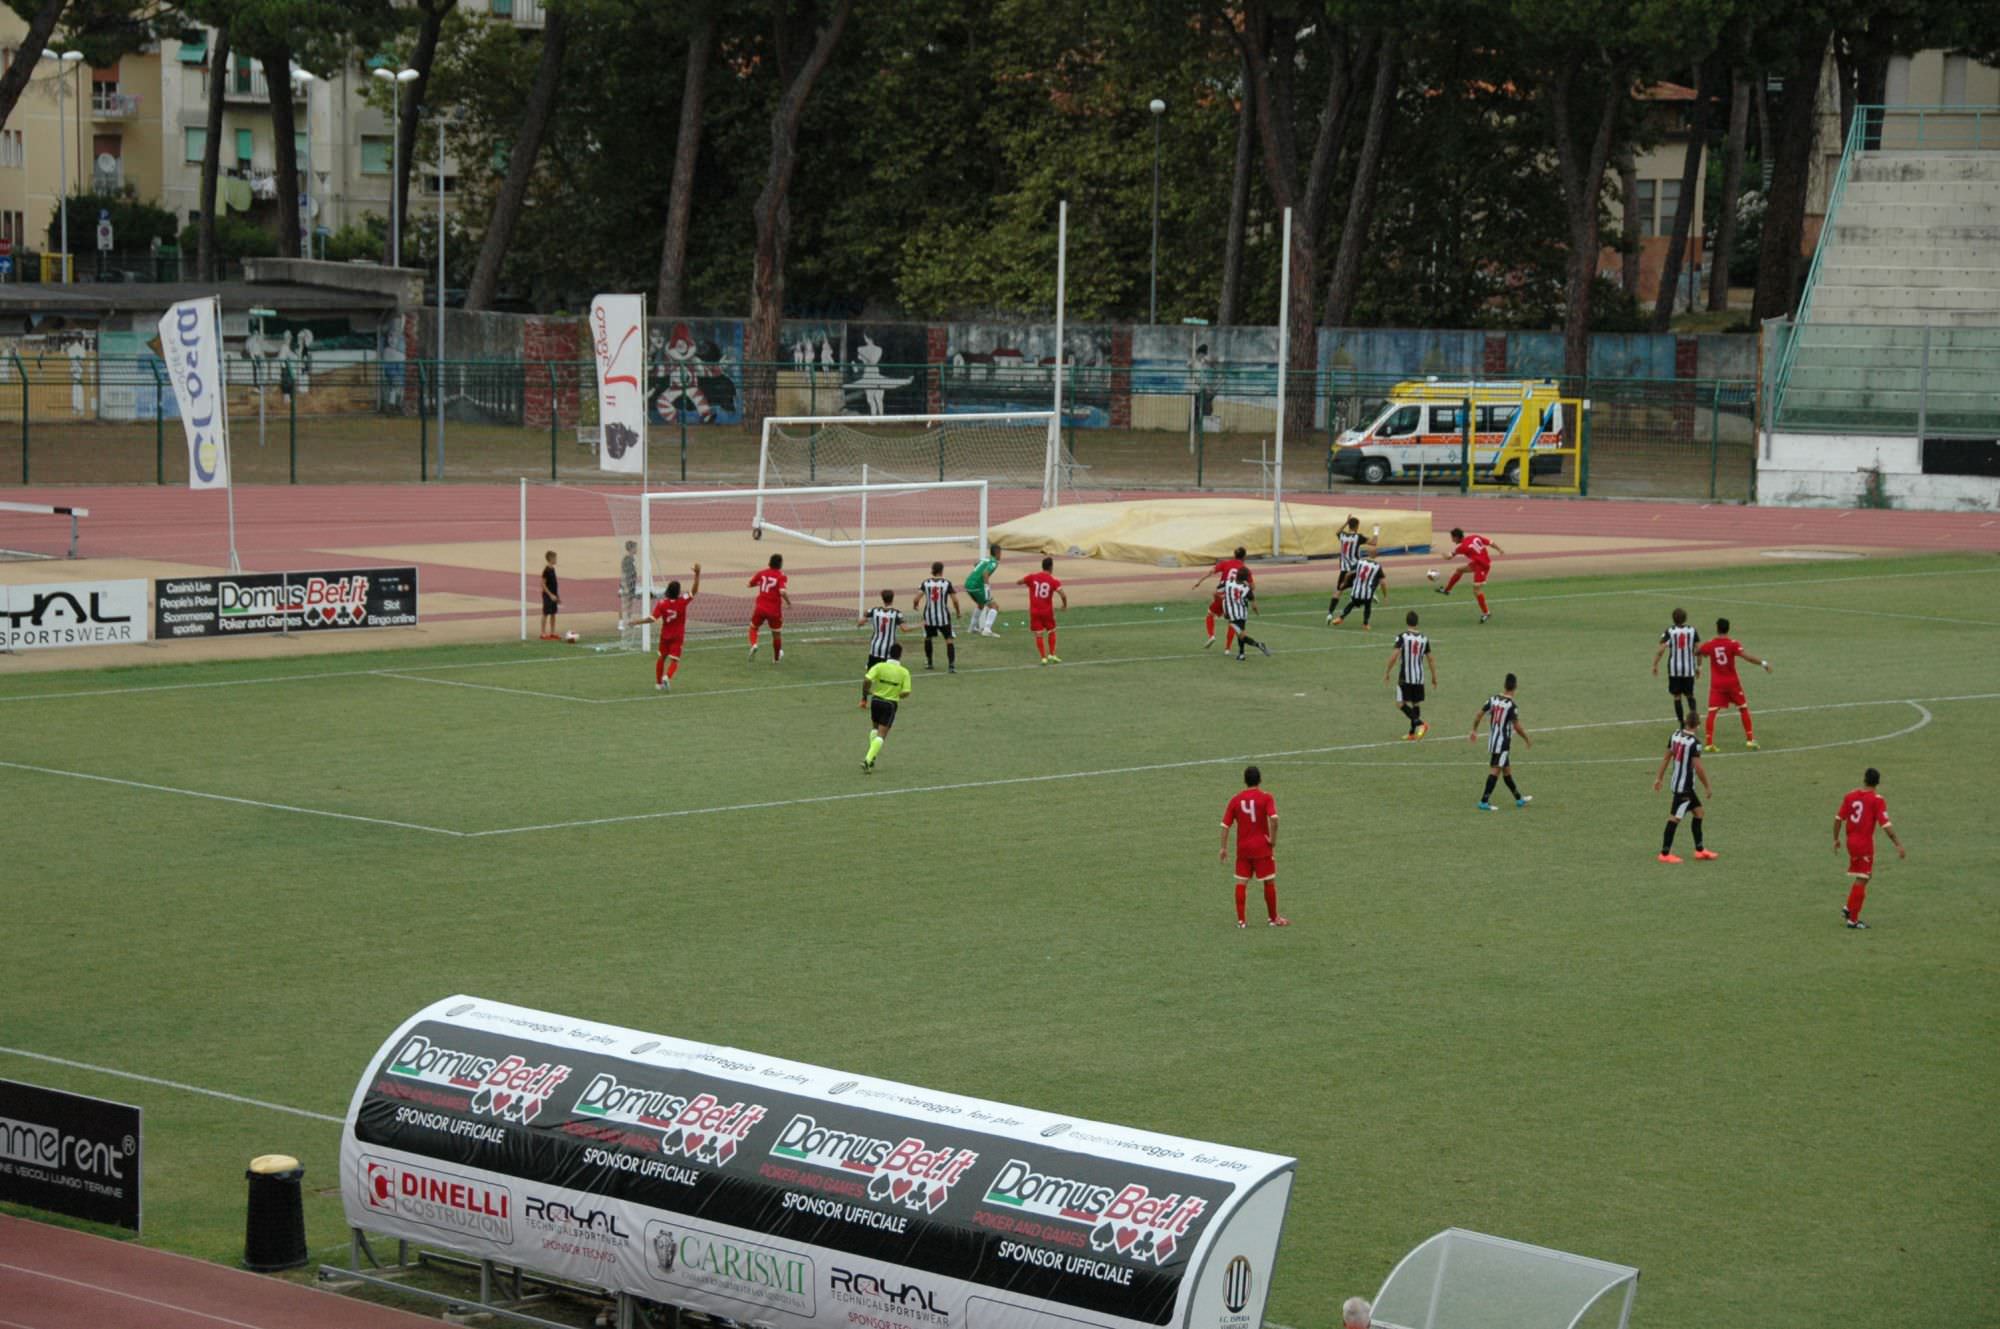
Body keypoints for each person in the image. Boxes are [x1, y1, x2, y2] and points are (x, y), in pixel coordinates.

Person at [1835, 767, 1905, 929]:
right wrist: (1898, 844)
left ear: (1864, 779)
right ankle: (1853, 919)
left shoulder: (1850, 796)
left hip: (1850, 842)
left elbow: (1838, 818)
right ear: (1878, 783)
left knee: (1865, 875)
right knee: (1863, 877)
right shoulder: (1877, 800)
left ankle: (1848, 908)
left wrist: (1836, 839)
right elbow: (1886, 825)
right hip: (1863, 844)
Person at [1219, 765, 1288, 928]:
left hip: (1243, 848)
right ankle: (1273, 919)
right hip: (1262, 848)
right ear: (1260, 780)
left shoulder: (1235, 800)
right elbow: (1275, 819)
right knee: (1269, 882)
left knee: (1241, 882)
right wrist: (1273, 840)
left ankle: (1241, 921)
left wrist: (1223, 848)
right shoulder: (1266, 798)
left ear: (1245, 781)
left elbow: (1225, 825)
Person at [1701, 617, 1772, 751]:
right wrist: (1763, 663)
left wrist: (1701, 656)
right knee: (1743, 708)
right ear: (1728, 629)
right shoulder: (1733, 644)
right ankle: (1750, 740)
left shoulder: (1710, 644)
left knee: (1712, 712)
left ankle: (1709, 743)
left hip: (1717, 684)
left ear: (1717, 629)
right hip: (1732, 683)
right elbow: (1748, 657)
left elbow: (1698, 651)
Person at [1652, 714, 1715, 862]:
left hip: (1678, 783)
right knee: (1675, 818)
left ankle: (1699, 850)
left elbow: (1666, 757)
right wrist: (1707, 786)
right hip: (1684, 787)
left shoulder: (1675, 735)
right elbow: (1698, 767)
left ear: (1686, 723)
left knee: (1699, 812)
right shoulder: (1695, 743)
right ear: (1698, 725)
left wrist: (1659, 778)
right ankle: (1665, 853)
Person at [1469, 673, 1532, 810]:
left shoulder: (1493, 700)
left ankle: (1519, 798)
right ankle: (1484, 801)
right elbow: (1516, 726)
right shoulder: (1511, 706)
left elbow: (1479, 714)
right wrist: (1526, 738)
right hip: (1503, 743)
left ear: (1504, 685)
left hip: (1493, 741)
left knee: (1507, 771)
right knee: (1496, 771)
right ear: (1515, 687)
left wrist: (1474, 730)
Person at [859, 642, 913, 774]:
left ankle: (871, 758)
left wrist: (866, 692)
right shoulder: (904, 672)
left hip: (876, 701)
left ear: (889, 654)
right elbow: (906, 692)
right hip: (889, 704)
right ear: (900, 656)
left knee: (874, 729)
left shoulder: (879, 666)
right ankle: (868, 759)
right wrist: (896, 694)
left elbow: (867, 679)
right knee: (882, 734)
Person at [649, 563, 701, 692]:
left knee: (662, 657)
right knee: (674, 661)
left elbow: (653, 618)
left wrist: (637, 622)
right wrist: (697, 574)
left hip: (665, 635)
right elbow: (694, 591)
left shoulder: (662, 603)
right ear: (678, 592)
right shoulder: (682, 601)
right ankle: (668, 676)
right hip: (677, 635)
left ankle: (658, 683)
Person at [1384, 610, 1436, 739]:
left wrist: (1387, 672)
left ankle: (1421, 723)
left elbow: (1394, 656)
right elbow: (1430, 659)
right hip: (1419, 677)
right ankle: (1412, 733)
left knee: (1400, 703)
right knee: (1415, 703)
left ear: (1407, 622)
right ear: (1417, 623)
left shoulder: (1402, 637)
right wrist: (1434, 677)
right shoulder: (1424, 639)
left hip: (1405, 677)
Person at [1436, 527, 1502, 622]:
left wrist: (1444, 556)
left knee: (1476, 590)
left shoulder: (1462, 547)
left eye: (1452, 538)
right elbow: (1491, 542)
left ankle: (1486, 613)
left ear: (1457, 537)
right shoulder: (1475, 537)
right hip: (1477, 563)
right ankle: (1447, 590)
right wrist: (1500, 550)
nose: (1452, 540)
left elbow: (1450, 556)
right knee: (1459, 570)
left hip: (1482, 566)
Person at [1193, 545, 1252, 650]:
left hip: (1220, 596)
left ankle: (1211, 636)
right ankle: (1227, 649)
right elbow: (1252, 586)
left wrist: (1199, 581)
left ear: (1234, 555)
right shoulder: (1245, 569)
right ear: (1244, 557)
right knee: (1232, 621)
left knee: (1210, 614)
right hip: (1233, 599)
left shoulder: (1226, 563)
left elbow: (1211, 572)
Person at [1651, 607, 1703, 726]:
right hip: (1689, 669)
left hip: (1674, 670)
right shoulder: (1692, 630)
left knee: (1677, 697)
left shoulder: (1670, 631)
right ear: (1685, 618)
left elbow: (1661, 650)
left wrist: (1655, 664)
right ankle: (1694, 722)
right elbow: (1699, 650)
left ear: (1673, 619)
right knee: (1690, 696)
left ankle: (1681, 723)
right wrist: (1699, 666)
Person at [914, 561, 961, 673]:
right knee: (949, 640)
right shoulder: (946, 583)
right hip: (943, 617)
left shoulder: (925, 583)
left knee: (928, 638)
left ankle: (929, 662)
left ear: (932, 570)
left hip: (929, 617)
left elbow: (916, 598)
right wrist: (958, 612)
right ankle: (951, 666)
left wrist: (915, 605)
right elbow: (955, 600)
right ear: (942, 571)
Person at [1019, 556, 1067, 664]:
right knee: (1052, 630)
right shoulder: (1053, 581)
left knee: (1038, 634)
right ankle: (1052, 654)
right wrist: (1064, 605)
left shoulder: (1032, 577)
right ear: (1051, 567)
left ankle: (1043, 658)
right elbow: (1063, 595)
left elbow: (1020, 581)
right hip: (1047, 611)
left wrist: (1026, 584)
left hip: (1034, 611)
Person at [747, 554, 791, 663]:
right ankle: (776, 659)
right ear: (780, 564)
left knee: (753, 627)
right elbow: (782, 591)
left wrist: (760, 583)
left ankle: (754, 644)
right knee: (776, 634)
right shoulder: (781, 576)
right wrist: (788, 602)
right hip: (774, 611)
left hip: (760, 608)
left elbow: (749, 584)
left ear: (769, 562)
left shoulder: (762, 573)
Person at [1220, 571, 1271, 660]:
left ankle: (1259, 645)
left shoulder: (1228, 582)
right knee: (1240, 634)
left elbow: (1219, 590)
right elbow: (1253, 604)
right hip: (1242, 615)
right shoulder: (1246, 588)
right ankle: (1241, 654)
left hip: (1232, 615)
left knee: (1241, 635)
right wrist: (1257, 612)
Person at [1330, 556, 1386, 629]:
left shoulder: (1360, 562)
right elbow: (1383, 583)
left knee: (1352, 604)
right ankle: (1365, 624)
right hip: (1367, 593)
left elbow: (1348, 574)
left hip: (1356, 591)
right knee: (1367, 606)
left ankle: (1341, 618)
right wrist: (1385, 596)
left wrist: (1344, 583)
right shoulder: (1377, 566)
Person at [1331, 516, 1373, 606]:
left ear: (1349, 525)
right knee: (1362, 582)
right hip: (1355, 567)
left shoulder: (1343, 535)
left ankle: (1330, 613)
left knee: (1339, 590)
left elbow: (1337, 532)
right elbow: (1373, 542)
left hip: (1344, 568)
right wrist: (1376, 532)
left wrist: (1346, 522)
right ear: (1357, 526)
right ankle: (1368, 595)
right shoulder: (1358, 537)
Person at [963, 544, 1002, 636]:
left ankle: (971, 628)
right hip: (977, 586)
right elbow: (985, 574)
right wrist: (987, 588)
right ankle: (987, 630)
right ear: (997, 553)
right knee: (994, 606)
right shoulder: (994, 562)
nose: (1001, 555)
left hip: (968, 584)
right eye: (1000, 553)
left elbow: (976, 564)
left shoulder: (985, 559)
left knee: (981, 604)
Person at [861, 588, 904, 669]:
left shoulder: (874, 610)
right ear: (892, 599)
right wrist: (920, 625)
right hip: (888, 648)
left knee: (870, 674)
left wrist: (864, 618)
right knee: (886, 672)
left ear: (882, 599)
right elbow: (905, 629)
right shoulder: (896, 613)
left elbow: (861, 621)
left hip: (875, 646)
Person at [618, 540, 641, 633]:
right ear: (631, 549)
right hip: (626, 584)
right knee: (625, 603)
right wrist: (625, 586)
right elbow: (624, 573)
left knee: (630, 603)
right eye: (635, 547)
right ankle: (621, 622)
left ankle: (629, 621)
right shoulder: (627, 559)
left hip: (632, 583)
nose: (637, 549)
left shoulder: (632, 558)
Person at [538, 550, 561, 640]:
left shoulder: (553, 569)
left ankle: (552, 632)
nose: (556, 559)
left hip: (554, 595)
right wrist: (550, 594)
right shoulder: (546, 570)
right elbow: (543, 584)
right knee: (546, 613)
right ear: (550, 559)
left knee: (553, 613)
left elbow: (554, 583)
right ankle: (543, 633)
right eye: (555, 558)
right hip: (548, 595)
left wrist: (557, 596)